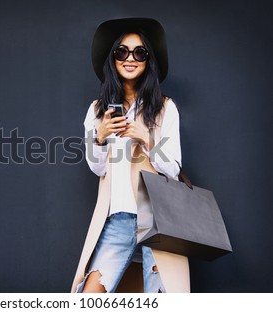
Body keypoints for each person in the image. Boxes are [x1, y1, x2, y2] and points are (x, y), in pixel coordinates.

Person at [71, 18, 190, 293]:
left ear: (148, 60)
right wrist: (99, 138)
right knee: (89, 296)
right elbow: (98, 169)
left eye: (140, 53)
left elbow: (172, 168)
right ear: (113, 58)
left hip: (159, 222)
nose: (130, 59)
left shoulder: (164, 108)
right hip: (118, 220)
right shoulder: (98, 110)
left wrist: (145, 138)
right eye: (122, 51)